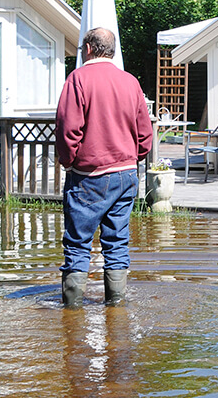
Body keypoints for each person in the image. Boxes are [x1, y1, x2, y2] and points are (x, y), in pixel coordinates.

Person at [55, 27, 153, 308]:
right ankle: (116, 308)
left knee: (77, 243)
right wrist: (134, 158)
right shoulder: (130, 82)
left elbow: (67, 129)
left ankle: (72, 315)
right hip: (125, 175)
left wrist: (69, 160)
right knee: (117, 243)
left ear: (88, 48)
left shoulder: (78, 79)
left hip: (89, 176)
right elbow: (145, 133)